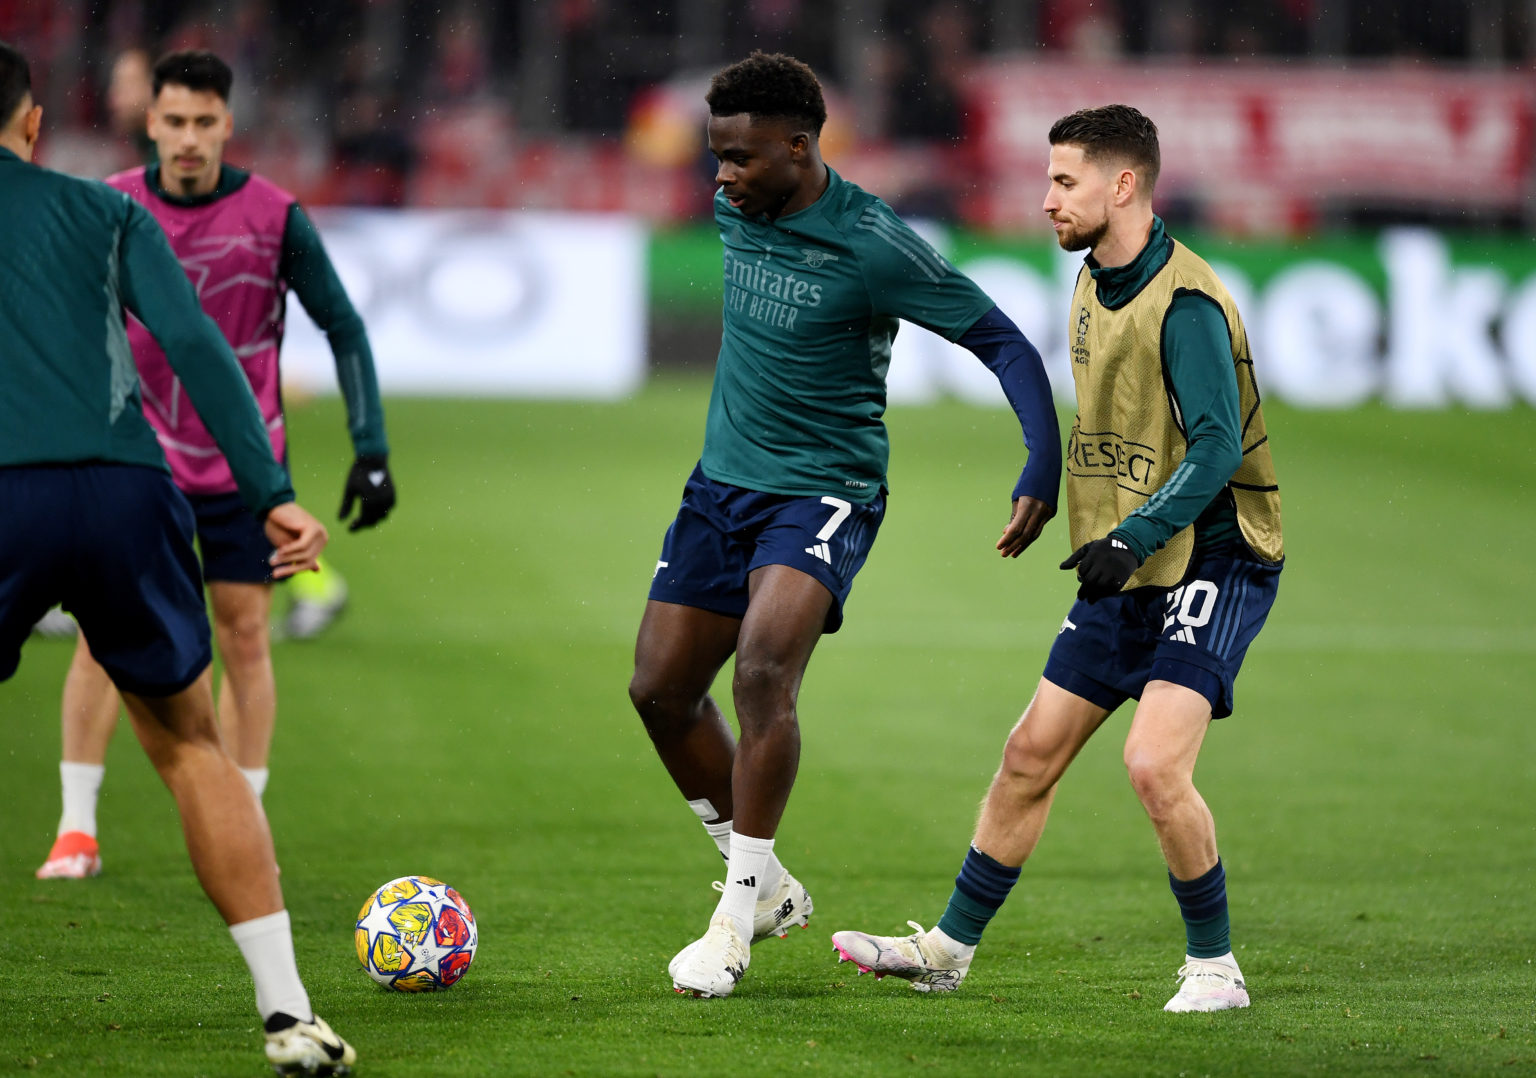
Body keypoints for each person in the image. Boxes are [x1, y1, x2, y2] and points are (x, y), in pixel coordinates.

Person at [830, 104, 1284, 1013]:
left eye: (1064, 181)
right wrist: (1057, 493)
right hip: (1131, 558)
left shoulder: (1186, 303)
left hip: (1213, 555)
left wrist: (1132, 536)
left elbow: (1214, 447)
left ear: (1124, 186)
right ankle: (947, 952)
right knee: (1029, 754)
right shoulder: (1090, 280)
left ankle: (1214, 970)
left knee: (1155, 765)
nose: (1046, 200)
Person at [629, 52, 1062, 999]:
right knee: (659, 690)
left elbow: (1000, 339)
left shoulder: (873, 242)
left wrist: (1043, 458)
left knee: (761, 671)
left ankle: (733, 921)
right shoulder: (736, 208)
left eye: (740, 158)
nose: (722, 176)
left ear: (798, 146)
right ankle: (773, 885)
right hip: (719, 488)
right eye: (716, 156)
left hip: (823, 492)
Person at [0, 41, 356, 1072]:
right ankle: (289, 1014)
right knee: (192, 743)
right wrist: (273, 494)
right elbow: (197, 345)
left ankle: (75, 828)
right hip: (125, 485)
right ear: (33, 125)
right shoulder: (109, 213)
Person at [35, 49, 394, 882]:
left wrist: (370, 448)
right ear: (150, 122)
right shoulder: (108, 208)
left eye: (205, 122)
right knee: (99, 637)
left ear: (228, 124)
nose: (189, 138)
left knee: (243, 637)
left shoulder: (274, 216)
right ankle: (76, 828)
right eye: (174, 121)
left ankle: (244, 817)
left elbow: (343, 326)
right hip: (132, 466)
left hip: (246, 471)